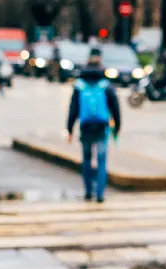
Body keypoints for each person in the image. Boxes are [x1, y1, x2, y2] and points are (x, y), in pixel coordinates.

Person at [66, 47, 121, 204]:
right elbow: (115, 107)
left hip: (85, 127)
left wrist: (69, 129)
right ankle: (100, 194)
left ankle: (88, 192)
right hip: (102, 127)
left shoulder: (80, 84)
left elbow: (73, 109)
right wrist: (117, 126)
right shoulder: (105, 83)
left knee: (87, 160)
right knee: (102, 161)